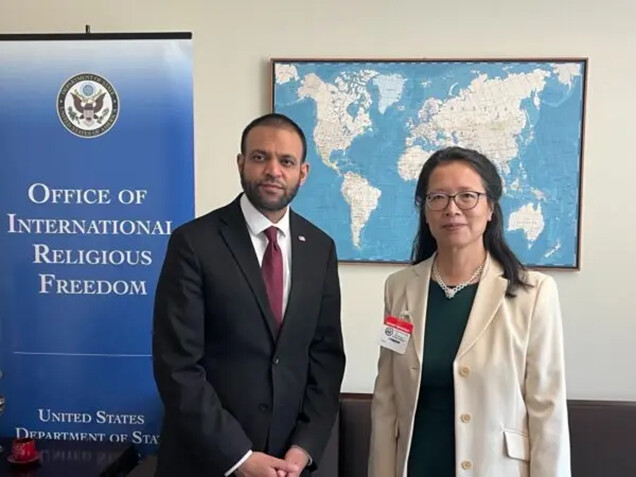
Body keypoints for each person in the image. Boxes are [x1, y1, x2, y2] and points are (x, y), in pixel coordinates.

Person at [152, 113, 345, 477]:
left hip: (288, 465)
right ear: (241, 163)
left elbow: (326, 357)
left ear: (302, 173)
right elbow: (177, 364)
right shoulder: (193, 243)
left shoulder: (320, 248)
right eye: (260, 157)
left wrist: (303, 448)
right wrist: (239, 458)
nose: (273, 170)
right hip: (206, 462)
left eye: (286, 161)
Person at [368, 146, 570, 477]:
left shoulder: (533, 293)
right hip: (417, 466)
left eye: (467, 196)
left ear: (491, 207)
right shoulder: (399, 288)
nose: (452, 209)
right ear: (425, 210)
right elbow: (386, 398)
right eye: (438, 198)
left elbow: (547, 409)